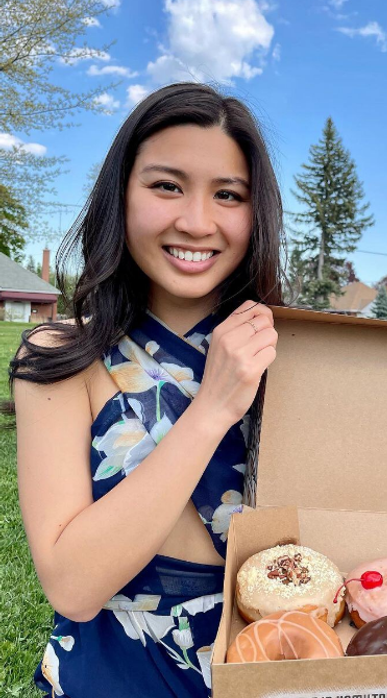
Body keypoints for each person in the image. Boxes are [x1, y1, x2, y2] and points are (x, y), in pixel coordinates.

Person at [10, 82, 283, 697]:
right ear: (122, 196)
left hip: (267, 666)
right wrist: (213, 408)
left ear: (255, 213)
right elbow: (73, 585)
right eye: (167, 185)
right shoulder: (60, 359)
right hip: (113, 674)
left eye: (228, 195)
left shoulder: (291, 359)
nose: (195, 221)